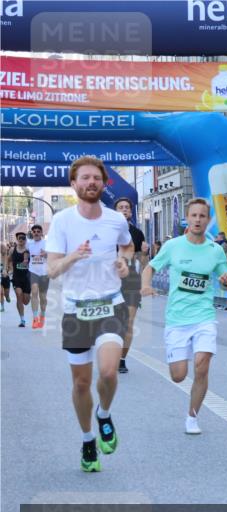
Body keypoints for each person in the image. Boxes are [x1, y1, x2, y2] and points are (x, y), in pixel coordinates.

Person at [44, 156, 134, 472]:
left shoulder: (116, 220)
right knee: (81, 384)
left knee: (108, 372)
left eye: (96, 178)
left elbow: (126, 247)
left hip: (111, 305)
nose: (90, 182)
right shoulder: (63, 222)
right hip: (75, 310)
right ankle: (87, 439)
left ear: (104, 183)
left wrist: (125, 262)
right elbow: (53, 269)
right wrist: (74, 256)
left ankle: (104, 414)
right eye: (84, 178)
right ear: (74, 184)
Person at [142, 198, 227, 434]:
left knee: (202, 366)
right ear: (187, 218)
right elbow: (150, 267)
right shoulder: (173, 246)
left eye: (202, 216)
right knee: (179, 376)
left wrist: (226, 281)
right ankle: (181, 361)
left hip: (204, 317)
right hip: (177, 319)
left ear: (208, 220)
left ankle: (192, 417)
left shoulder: (215, 251)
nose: (198, 220)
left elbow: (225, 281)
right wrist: (145, 285)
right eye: (194, 215)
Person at [113, 197, 147, 373]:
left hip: (132, 280)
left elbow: (143, 262)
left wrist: (145, 253)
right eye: (121, 207)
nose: (124, 210)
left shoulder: (137, 233)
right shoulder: (107, 232)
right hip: (110, 280)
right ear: (114, 211)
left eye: (127, 207)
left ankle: (121, 359)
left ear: (131, 212)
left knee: (128, 323)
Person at [26, 224, 50, 329]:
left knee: (43, 297)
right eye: (34, 231)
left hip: (44, 273)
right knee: (34, 292)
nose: (36, 233)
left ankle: (42, 316)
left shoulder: (46, 243)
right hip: (33, 272)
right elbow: (25, 252)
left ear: (41, 233)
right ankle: (35, 319)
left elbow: (54, 256)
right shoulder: (29, 244)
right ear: (32, 233)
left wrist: (46, 254)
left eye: (38, 231)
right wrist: (25, 259)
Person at [8, 231, 31, 327]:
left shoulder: (29, 250)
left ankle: (22, 303)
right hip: (16, 277)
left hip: (27, 278)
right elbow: (8, 260)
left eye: (23, 238)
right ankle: (22, 320)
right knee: (18, 295)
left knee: (25, 301)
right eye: (19, 238)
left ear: (25, 240)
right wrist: (9, 269)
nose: (21, 240)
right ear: (17, 240)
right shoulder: (13, 250)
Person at [0, 240, 10, 312]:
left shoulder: (2, 245)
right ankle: (2, 306)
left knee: (6, 293)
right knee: (0, 292)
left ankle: (7, 296)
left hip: (3, 270)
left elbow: (5, 258)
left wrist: (4, 269)